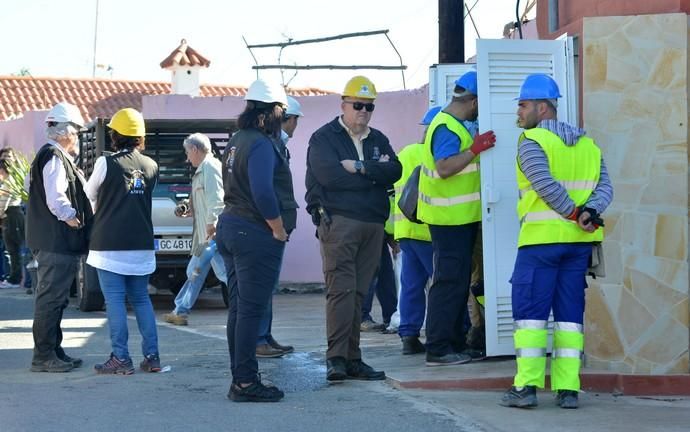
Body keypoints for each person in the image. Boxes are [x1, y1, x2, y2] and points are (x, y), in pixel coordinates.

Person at [499, 74, 613, 410]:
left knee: (531, 316)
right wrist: (588, 213)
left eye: (522, 104)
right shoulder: (588, 145)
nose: (518, 112)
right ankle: (567, 389)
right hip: (578, 245)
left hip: (541, 244)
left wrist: (575, 211)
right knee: (569, 317)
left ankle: (526, 388)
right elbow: (606, 187)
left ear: (542, 106)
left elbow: (544, 184)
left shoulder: (532, 142)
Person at [305, 75, 401, 382]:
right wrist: (375, 179)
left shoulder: (377, 138)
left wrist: (360, 168)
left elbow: (395, 171)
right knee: (341, 291)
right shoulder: (324, 138)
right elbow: (330, 178)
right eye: (358, 105)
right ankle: (336, 358)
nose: (363, 111)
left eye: (369, 106)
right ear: (343, 104)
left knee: (358, 294)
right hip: (340, 223)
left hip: (372, 224)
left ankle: (353, 359)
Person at [217, 78, 295, 402]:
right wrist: (277, 227)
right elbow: (262, 191)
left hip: (233, 227)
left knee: (239, 310)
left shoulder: (237, 139)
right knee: (250, 310)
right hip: (254, 233)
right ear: (273, 111)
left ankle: (241, 378)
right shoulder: (261, 143)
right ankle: (246, 383)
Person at [417, 71, 497, 366]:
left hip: (457, 218)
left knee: (456, 281)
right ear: (473, 102)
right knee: (449, 282)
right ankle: (438, 348)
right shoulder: (448, 127)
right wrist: (475, 149)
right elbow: (445, 167)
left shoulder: (453, 124)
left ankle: (452, 343)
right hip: (448, 218)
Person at [84, 108, 161, 375]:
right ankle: (152, 357)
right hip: (141, 242)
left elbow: (88, 194)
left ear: (115, 135)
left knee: (115, 300)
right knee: (141, 299)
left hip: (109, 243)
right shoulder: (152, 165)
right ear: (140, 137)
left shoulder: (106, 163)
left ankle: (120, 358)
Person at [26, 101, 92, 372]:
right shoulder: (54, 158)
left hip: (53, 242)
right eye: (75, 131)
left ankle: (53, 350)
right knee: (52, 298)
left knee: (57, 299)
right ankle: (44, 356)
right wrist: (72, 217)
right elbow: (56, 198)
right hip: (56, 241)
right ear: (64, 132)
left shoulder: (50, 156)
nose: (76, 136)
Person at [255, 95, 303, 358]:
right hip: (270, 226)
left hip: (278, 223)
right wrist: (275, 225)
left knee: (270, 284)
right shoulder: (270, 145)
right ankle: (259, 337)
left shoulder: (278, 145)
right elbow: (266, 189)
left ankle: (266, 334)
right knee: (263, 284)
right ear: (289, 120)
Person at [163, 133, 225, 326]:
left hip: (212, 235)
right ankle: (180, 311)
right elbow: (202, 201)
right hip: (204, 236)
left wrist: (212, 223)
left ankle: (252, 306)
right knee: (195, 272)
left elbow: (217, 198)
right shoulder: (202, 170)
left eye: (188, 152)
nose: (187, 158)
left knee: (225, 274)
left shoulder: (210, 167)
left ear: (195, 149)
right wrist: (188, 210)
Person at [392, 106, 440, 354]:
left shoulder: (406, 152)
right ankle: (442, 335)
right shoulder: (434, 155)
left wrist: (393, 232)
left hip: (405, 232)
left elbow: (392, 193)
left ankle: (409, 336)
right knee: (442, 286)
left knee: (411, 284)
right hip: (429, 233)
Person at [0, 149, 25, 288]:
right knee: (12, 250)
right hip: (10, 215)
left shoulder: (9, 182)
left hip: (11, 215)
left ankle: (15, 279)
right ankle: (14, 278)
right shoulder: (9, 181)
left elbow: (3, 203)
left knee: (13, 249)